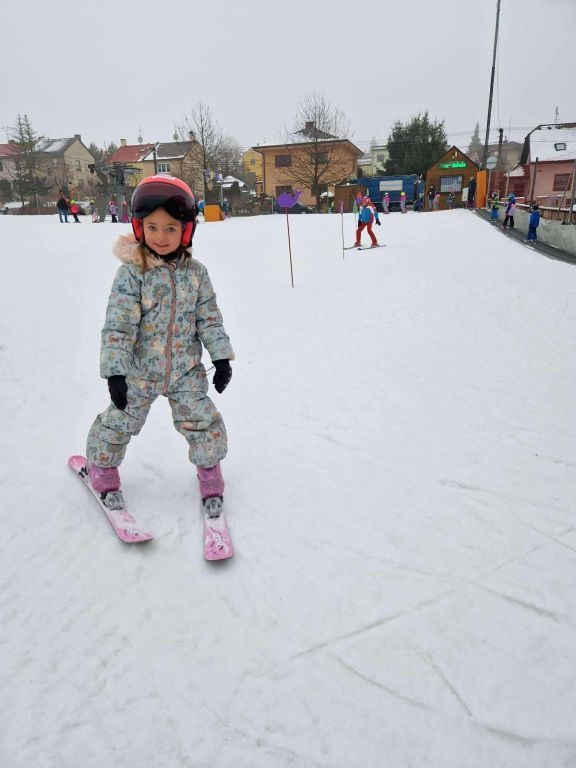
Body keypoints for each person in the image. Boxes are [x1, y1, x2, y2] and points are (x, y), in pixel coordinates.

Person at [83, 174, 234, 514]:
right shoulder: (132, 274)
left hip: (185, 371)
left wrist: (221, 356)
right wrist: (116, 373)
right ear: (139, 228)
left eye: (170, 228)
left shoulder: (196, 273)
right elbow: (118, 326)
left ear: (186, 230)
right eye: (153, 227)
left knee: (202, 420)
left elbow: (209, 317)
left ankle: (209, 470)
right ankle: (102, 466)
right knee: (121, 420)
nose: (161, 237)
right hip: (139, 372)